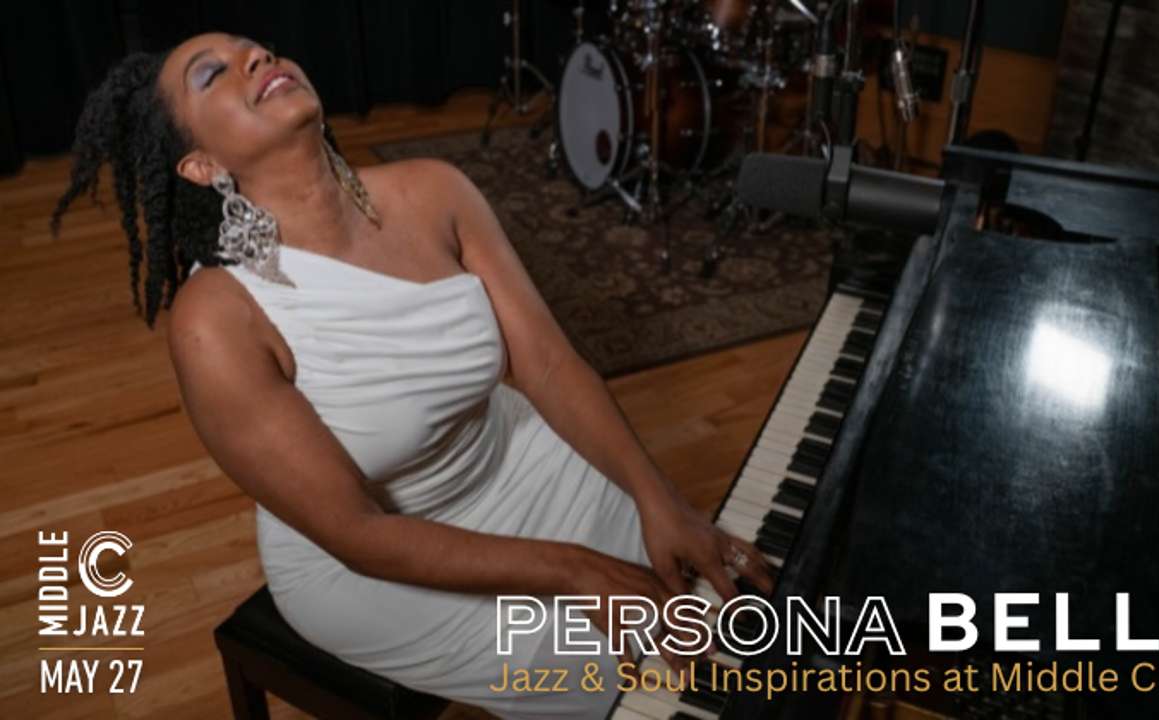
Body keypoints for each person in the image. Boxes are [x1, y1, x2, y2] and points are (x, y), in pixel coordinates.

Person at [50, 33, 773, 719]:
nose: (256, 57)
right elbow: (357, 532)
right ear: (202, 165)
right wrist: (578, 570)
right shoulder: (215, 320)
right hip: (374, 562)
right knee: (627, 680)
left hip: (512, 459)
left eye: (254, 48)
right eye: (213, 73)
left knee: (729, 616)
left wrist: (658, 496)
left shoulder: (435, 190)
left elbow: (550, 364)